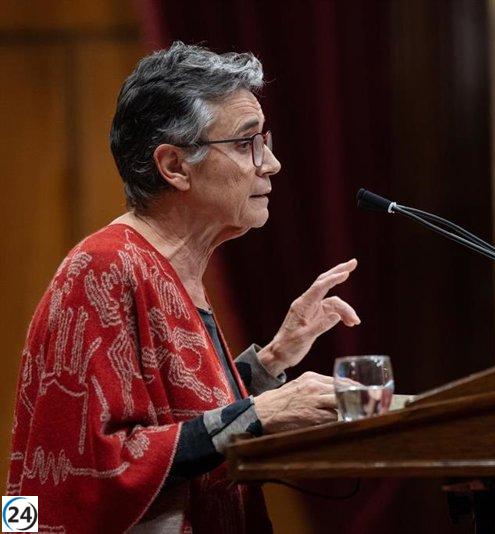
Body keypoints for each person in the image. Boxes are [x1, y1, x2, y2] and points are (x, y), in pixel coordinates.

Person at [5, 41, 360, 533]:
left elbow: (177, 419)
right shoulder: (103, 268)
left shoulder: (170, 268)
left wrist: (271, 361)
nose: (271, 163)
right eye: (245, 144)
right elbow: (90, 470)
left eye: (266, 141)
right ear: (174, 166)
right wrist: (261, 411)